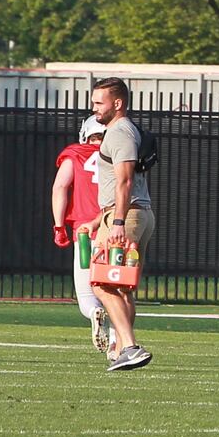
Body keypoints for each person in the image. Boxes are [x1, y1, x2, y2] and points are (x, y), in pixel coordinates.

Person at [76, 78, 157, 372]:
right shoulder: (121, 131)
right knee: (122, 288)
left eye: (99, 102)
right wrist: (97, 220)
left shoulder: (120, 132)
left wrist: (118, 222)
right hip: (130, 213)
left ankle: (131, 347)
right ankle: (123, 349)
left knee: (100, 283)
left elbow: (124, 181)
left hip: (127, 215)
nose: (94, 108)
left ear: (118, 103)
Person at [51, 115, 109, 354]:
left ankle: (94, 313)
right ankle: (118, 341)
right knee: (119, 289)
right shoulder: (121, 154)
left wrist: (58, 225)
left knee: (86, 294)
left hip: (85, 233)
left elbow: (60, 187)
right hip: (116, 228)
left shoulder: (75, 154)